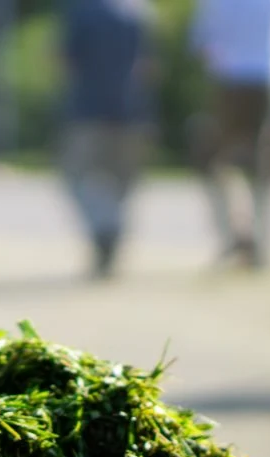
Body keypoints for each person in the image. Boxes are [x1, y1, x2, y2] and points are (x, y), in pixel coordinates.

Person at [189, 0, 270, 269]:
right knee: (265, 166)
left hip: (231, 79)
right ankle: (256, 240)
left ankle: (234, 234)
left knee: (213, 161)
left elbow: (201, 38)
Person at [59, 0, 157, 278]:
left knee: (77, 177)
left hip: (87, 111)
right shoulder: (142, 13)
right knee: (122, 186)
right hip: (133, 112)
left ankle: (104, 227)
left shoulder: (81, 12)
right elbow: (148, 66)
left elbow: (66, 59)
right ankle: (111, 233)